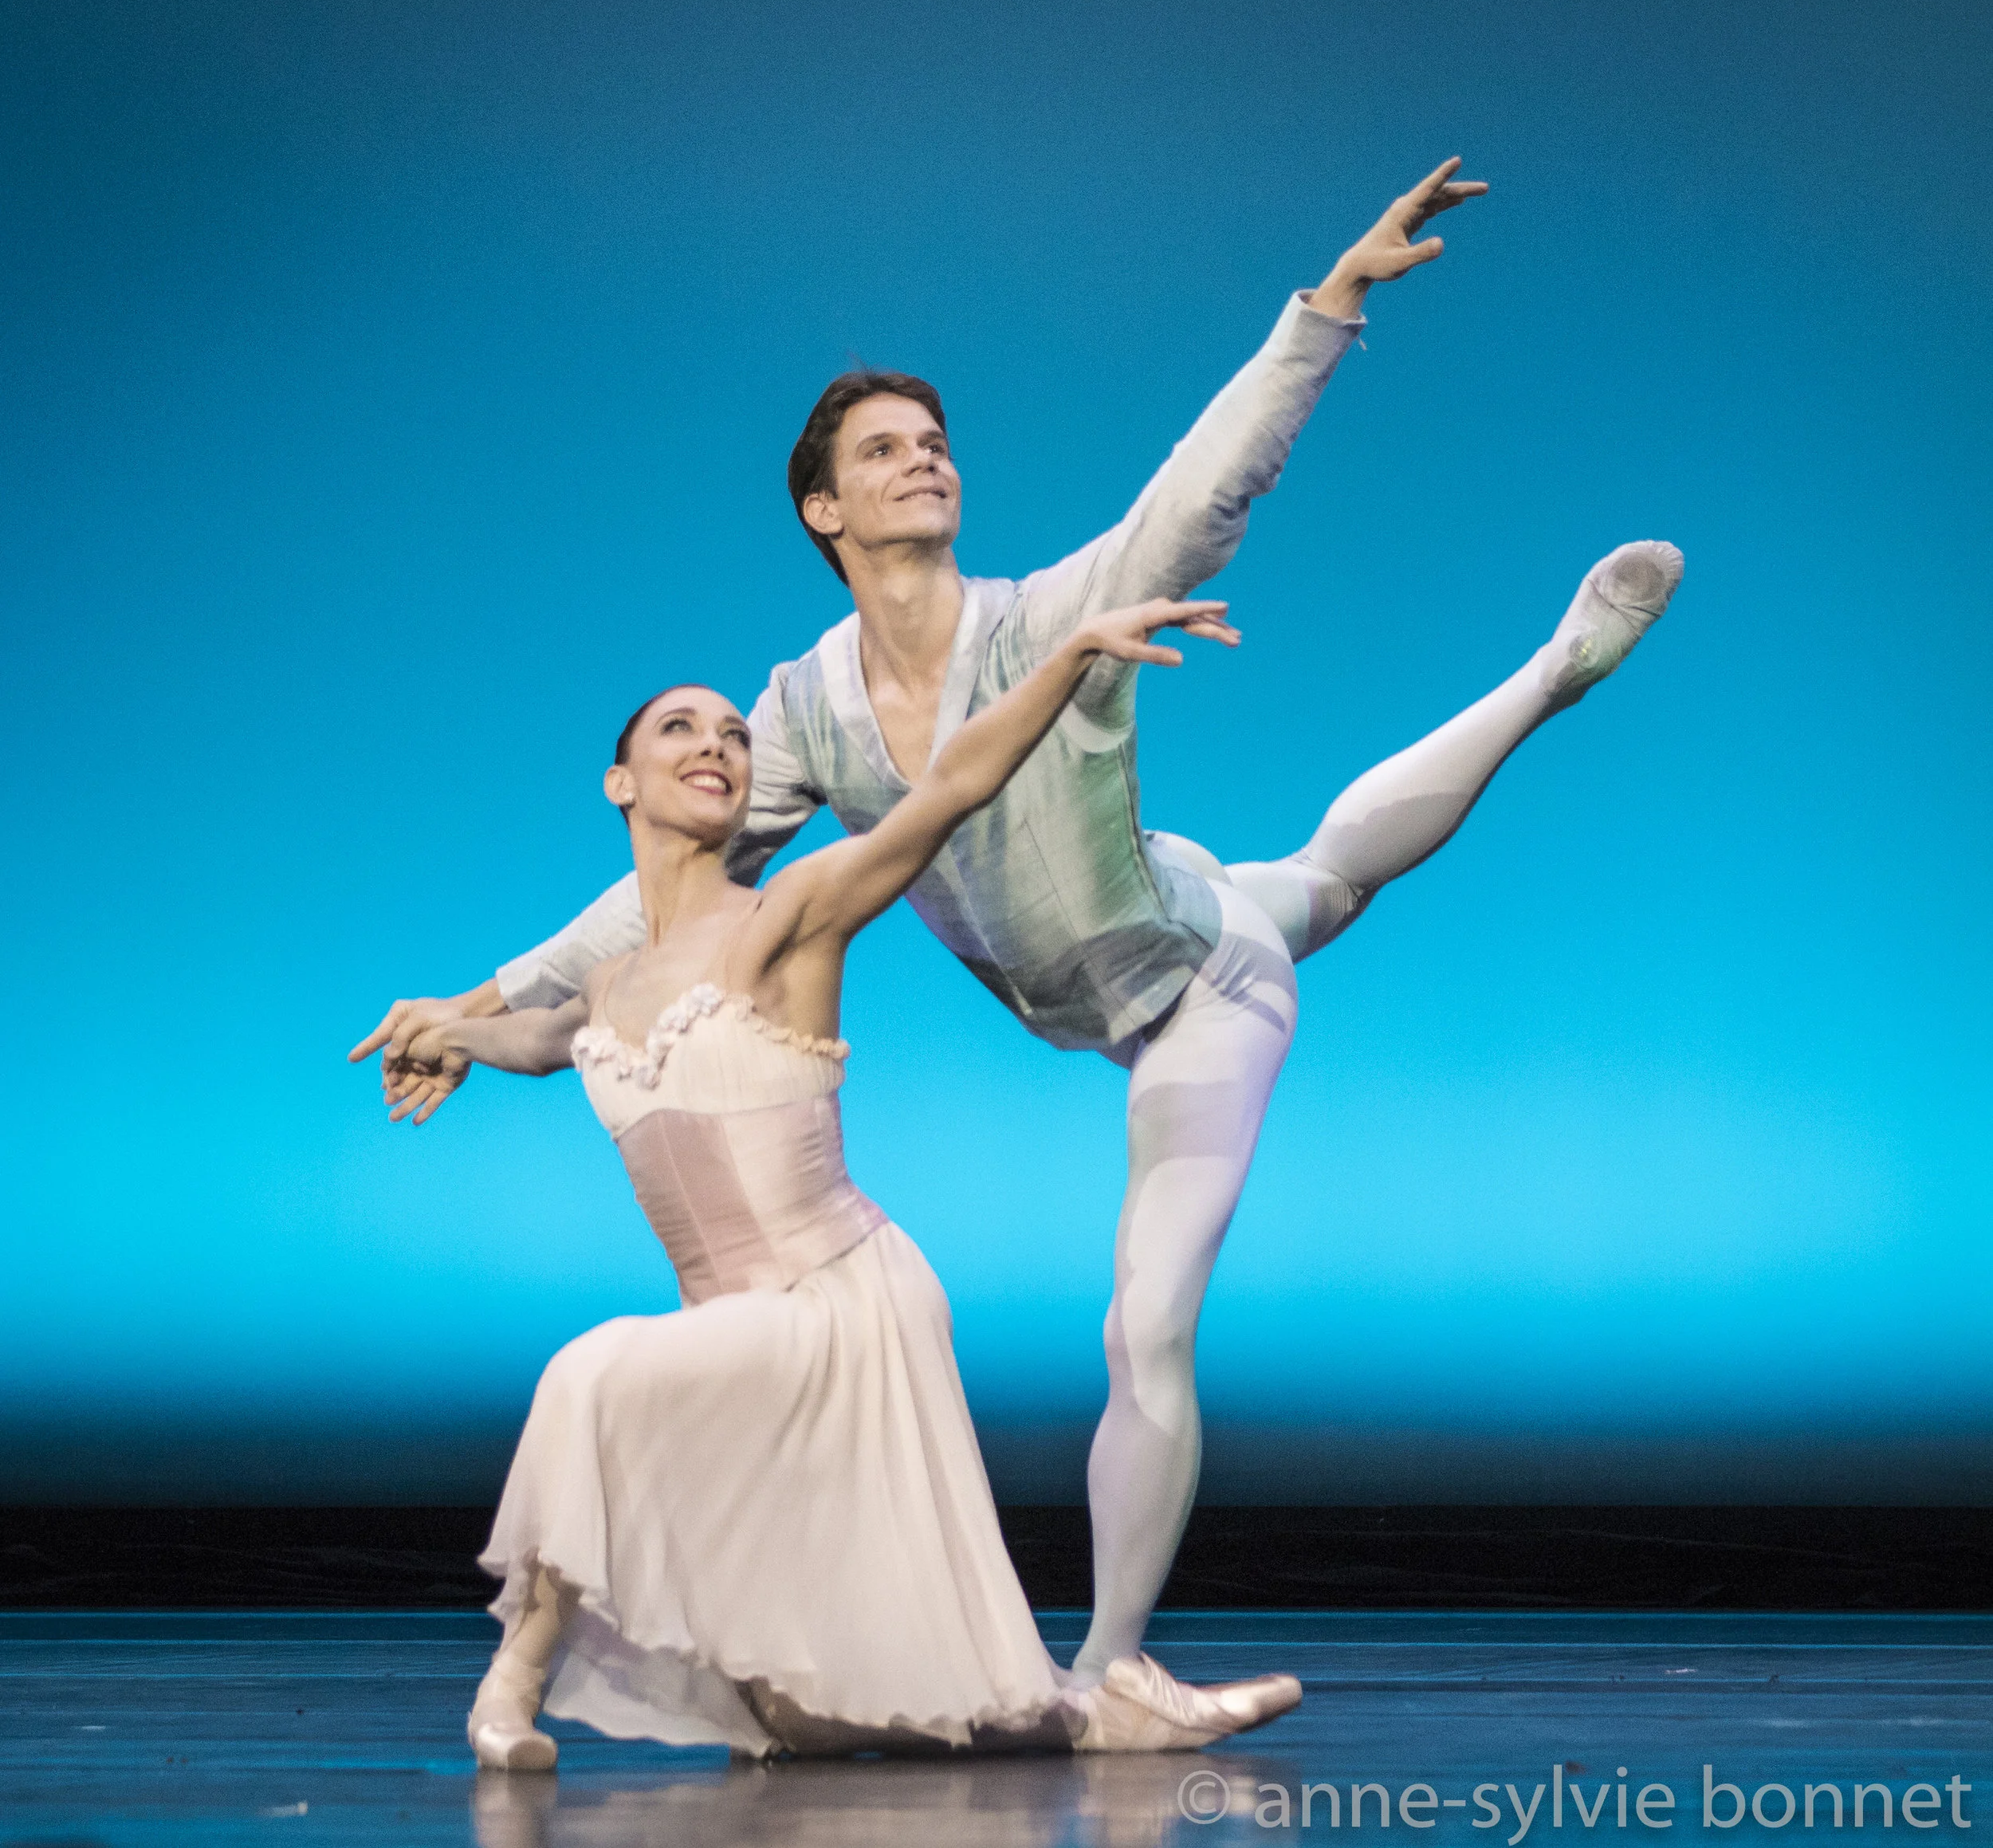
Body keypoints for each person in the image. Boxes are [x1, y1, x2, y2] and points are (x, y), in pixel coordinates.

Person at [356, 159, 1685, 1709]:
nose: (923, 462)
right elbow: (653, 898)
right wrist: (485, 993)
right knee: (1315, 873)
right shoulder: (796, 708)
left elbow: (1199, 490)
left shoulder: (1046, 613)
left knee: (1154, 1300)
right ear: (823, 507)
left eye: (934, 442)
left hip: (1188, 979)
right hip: (1108, 957)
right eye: (882, 450)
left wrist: (1324, 309)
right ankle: (1537, 681)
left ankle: (1113, 1662)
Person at [383, 596, 1305, 1767]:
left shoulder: (792, 916)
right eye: (681, 729)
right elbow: (539, 1037)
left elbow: (949, 791)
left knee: (592, 1372)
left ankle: (508, 1690)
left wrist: (1068, 658)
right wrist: (453, 1035)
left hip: (838, 1305)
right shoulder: (608, 989)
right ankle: (1097, 1715)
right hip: (733, 1326)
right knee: (816, 1723)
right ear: (621, 783)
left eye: (733, 732)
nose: (717, 744)